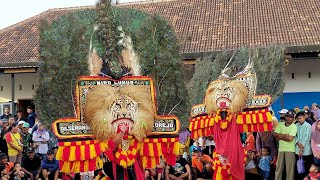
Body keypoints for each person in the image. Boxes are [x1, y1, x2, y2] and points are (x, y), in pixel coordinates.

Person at [274, 110, 298, 180]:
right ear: (285, 116)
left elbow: (290, 138)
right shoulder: (280, 124)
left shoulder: (294, 126)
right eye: (287, 116)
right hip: (281, 150)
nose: (288, 118)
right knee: (278, 169)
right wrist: (285, 135)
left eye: (290, 117)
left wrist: (280, 136)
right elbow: (275, 135)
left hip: (290, 150)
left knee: (289, 171)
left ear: (293, 118)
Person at [295, 111, 313, 180]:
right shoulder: (296, 125)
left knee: (305, 168)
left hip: (305, 150)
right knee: (299, 168)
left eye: (300, 118)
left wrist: (301, 149)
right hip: (297, 149)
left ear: (304, 117)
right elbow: (294, 136)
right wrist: (297, 142)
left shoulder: (308, 126)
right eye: (298, 119)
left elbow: (307, 138)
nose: (299, 120)